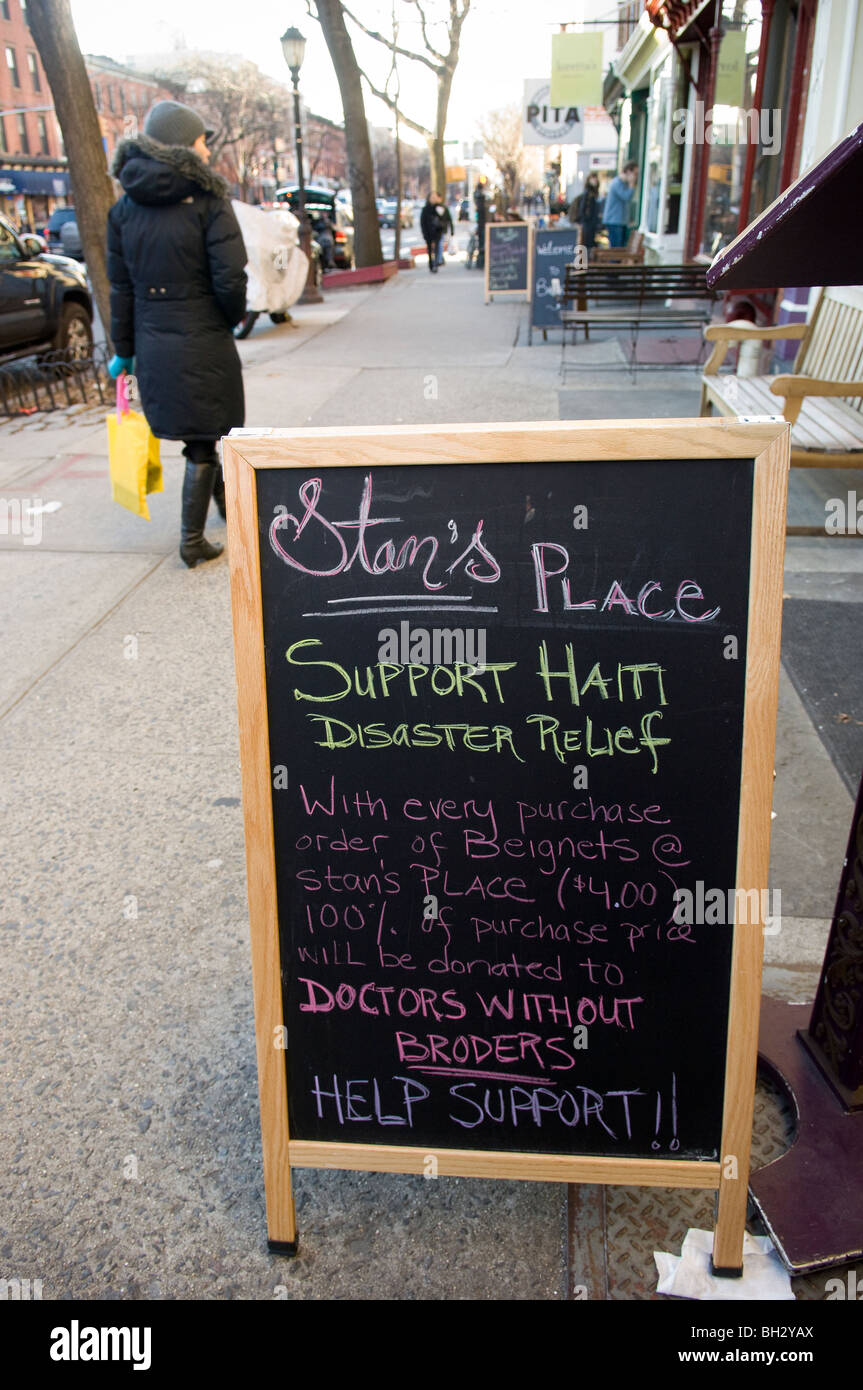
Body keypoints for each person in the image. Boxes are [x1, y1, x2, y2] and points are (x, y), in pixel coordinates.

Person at [106, 100, 248, 568]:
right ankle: (191, 541)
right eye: (203, 140)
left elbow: (121, 287)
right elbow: (231, 277)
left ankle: (230, 508)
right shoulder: (208, 200)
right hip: (203, 330)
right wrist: (230, 318)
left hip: (153, 337)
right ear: (185, 145)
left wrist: (124, 351)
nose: (208, 150)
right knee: (208, 436)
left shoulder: (124, 208)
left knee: (208, 430)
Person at [603, 161, 638, 250]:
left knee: (620, 248)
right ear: (628, 172)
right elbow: (626, 197)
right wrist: (631, 184)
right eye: (635, 173)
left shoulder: (621, 184)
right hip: (615, 222)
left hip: (619, 221)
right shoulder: (617, 183)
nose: (636, 177)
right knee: (616, 249)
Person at [570, 172, 602, 253]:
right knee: (586, 247)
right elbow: (583, 210)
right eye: (593, 178)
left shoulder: (593, 194)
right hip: (588, 225)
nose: (595, 180)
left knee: (587, 247)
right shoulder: (588, 194)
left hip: (590, 224)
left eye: (596, 178)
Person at [420, 192, 448, 273]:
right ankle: (430, 264)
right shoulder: (425, 209)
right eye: (432, 198)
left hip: (437, 232)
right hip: (428, 232)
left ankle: (435, 264)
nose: (433, 199)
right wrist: (424, 232)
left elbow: (444, 218)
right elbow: (423, 222)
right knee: (429, 248)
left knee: (436, 248)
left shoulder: (439, 208)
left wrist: (443, 227)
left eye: (434, 198)